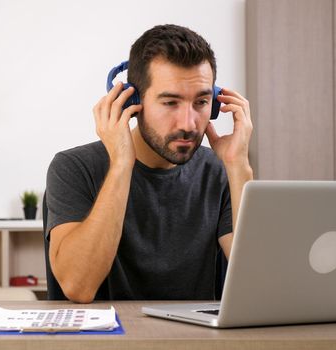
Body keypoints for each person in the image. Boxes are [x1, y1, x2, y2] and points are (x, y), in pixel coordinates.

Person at [45, 24, 253, 303]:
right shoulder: (73, 167)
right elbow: (78, 286)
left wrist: (238, 165)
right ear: (131, 101)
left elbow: (259, 284)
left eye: (201, 102)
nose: (189, 124)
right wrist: (121, 163)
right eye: (170, 103)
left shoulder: (220, 171)